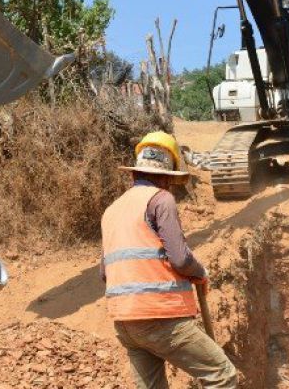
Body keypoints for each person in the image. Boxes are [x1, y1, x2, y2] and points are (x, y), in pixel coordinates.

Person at [99, 131, 237, 389]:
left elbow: (105, 273)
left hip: (125, 324)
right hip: (160, 317)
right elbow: (180, 258)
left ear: (134, 174)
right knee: (222, 374)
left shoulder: (111, 210)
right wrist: (200, 271)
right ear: (166, 177)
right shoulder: (161, 199)